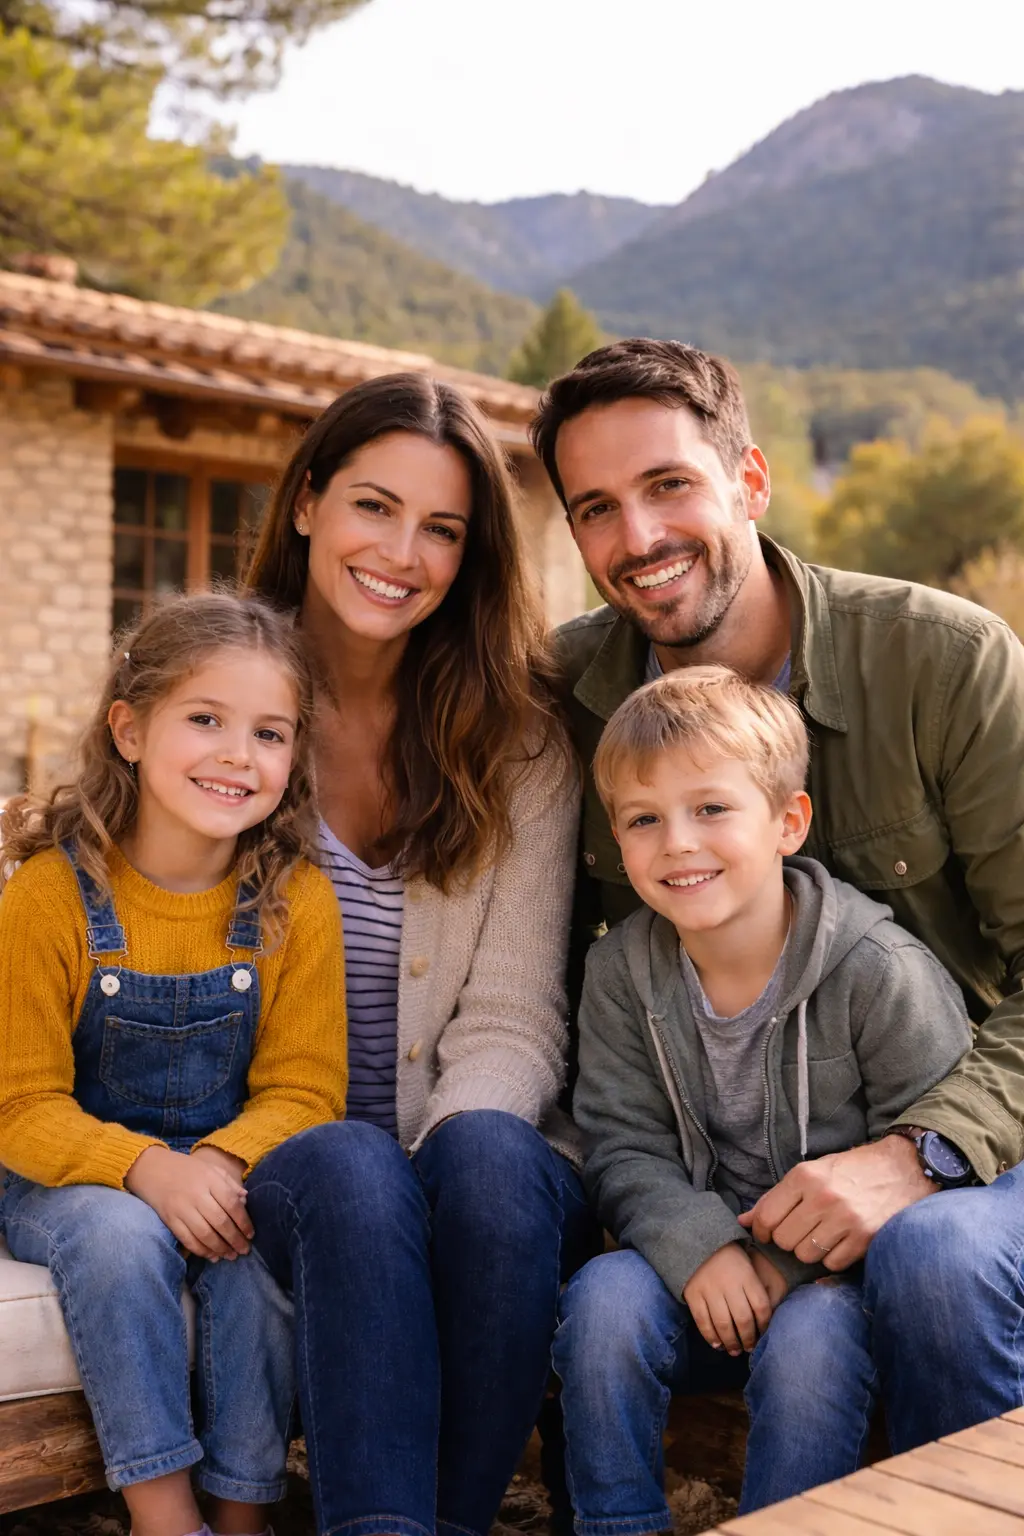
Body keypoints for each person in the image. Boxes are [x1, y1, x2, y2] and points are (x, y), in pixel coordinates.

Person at [532, 336, 1024, 1456]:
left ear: (748, 482)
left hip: (983, 1133)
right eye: (596, 508)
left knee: (934, 1256)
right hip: (717, 1176)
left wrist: (919, 1154)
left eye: (668, 486)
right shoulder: (562, 698)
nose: (638, 539)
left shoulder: (943, 662)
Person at [241, 372, 594, 1536]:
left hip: (458, 1149)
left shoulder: (521, 739)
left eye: (441, 529)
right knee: (349, 1167)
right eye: (373, 507)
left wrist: (437, 1160)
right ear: (306, 504)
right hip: (284, 1160)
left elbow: (513, 1017)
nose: (402, 552)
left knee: (491, 1162)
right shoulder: (220, 710)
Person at [553, 666, 972, 1520]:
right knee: (601, 1303)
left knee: (813, 1343)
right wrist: (703, 1249)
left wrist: (779, 1266)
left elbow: (936, 1166)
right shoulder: (618, 974)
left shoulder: (877, 971)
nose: (677, 842)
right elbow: (622, 1144)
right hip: (693, 1270)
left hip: (837, 1294)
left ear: (788, 822)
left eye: (711, 809)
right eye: (644, 819)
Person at [0, 592, 347, 1536]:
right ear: (129, 729)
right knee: (121, 1238)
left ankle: (242, 1516)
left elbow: (306, 1088)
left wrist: (222, 1165)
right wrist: (145, 1169)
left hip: (218, 1161)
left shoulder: (294, 902)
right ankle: (163, 1520)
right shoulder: (48, 896)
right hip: (65, 1175)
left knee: (251, 1259)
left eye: (270, 733)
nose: (240, 754)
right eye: (205, 719)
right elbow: (21, 1105)